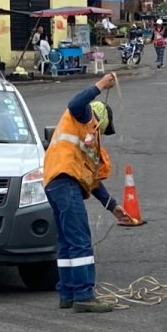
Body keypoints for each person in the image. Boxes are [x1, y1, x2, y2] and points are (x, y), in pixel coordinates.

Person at [43, 73, 140, 313]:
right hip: (64, 181)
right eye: (104, 128)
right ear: (102, 119)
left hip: (57, 183)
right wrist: (100, 85)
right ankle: (84, 295)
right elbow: (75, 103)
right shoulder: (84, 116)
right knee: (80, 240)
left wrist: (113, 207)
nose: (102, 133)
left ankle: (67, 293)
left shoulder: (88, 139)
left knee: (67, 242)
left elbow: (94, 181)